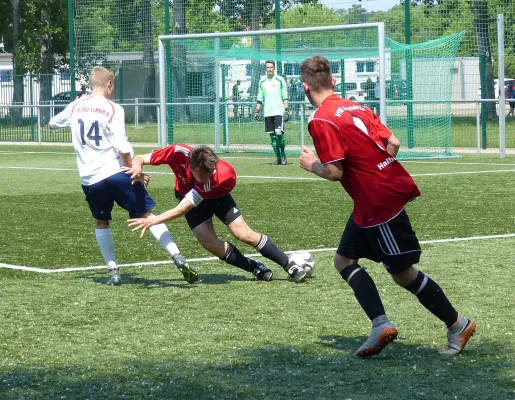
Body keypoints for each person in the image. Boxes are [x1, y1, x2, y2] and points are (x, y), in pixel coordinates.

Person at [298, 56, 476, 358]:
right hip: (370, 201)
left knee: (402, 273)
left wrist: (310, 165)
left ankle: (457, 324)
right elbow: (393, 143)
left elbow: (335, 172)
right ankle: (380, 324)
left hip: (378, 201)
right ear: (334, 82)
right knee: (343, 260)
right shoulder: (357, 106)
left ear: (304, 87)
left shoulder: (321, 119)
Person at [48, 66, 197, 286]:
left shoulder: (76, 105)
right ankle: (178, 257)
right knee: (147, 214)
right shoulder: (114, 108)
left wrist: (76, 106)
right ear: (109, 84)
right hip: (116, 172)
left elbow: (52, 124)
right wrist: (135, 170)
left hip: (90, 179)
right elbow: (123, 148)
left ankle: (113, 271)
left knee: (101, 221)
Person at [125, 144, 307, 283]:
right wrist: (137, 171)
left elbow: (182, 209)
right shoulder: (176, 152)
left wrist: (154, 220)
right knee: (210, 243)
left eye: (210, 173)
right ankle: (254, 267)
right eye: (203, 175)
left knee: (243, 234)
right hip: (187, 196)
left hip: (216, 196)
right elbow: (139, 157)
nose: (208, 177)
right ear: (191, 166)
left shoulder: (218, 178)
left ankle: (289, 265)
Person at [255, 61, 289, 165]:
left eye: (271, 67)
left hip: (278, 111)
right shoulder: (262, 81)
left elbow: (284, 94)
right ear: (265, 68)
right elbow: (260, 97)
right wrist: (257, 111)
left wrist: (287, 109)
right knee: (272, 137)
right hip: (268, 113)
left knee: (279, 133)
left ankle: (283, 155)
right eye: (268, 67)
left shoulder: (280, 80)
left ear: (274, 68)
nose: (269, 69)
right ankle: (278, 158)